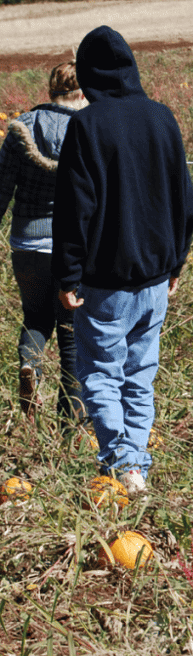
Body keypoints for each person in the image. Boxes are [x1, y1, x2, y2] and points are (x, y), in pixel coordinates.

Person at [53, 27, 193, 496]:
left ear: (89, 75)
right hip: (156, 279)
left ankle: (125, 464)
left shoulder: (88, 126)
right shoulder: (162, 119)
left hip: (106, 281)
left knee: (99, 375)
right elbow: (184, 200)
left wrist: (68, 274)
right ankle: (137, 467)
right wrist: (176, 262)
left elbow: (77, 209)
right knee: (139, 377)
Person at [0, 63, 87, 421]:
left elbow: (1, 188)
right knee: (72, 334)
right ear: (81, 93)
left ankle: (30, 366)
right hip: (71, 247)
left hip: (26, 242)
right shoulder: (87, 129)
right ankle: (72, 420)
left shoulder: (22, 126)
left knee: (35, 316)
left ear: (51, 91)